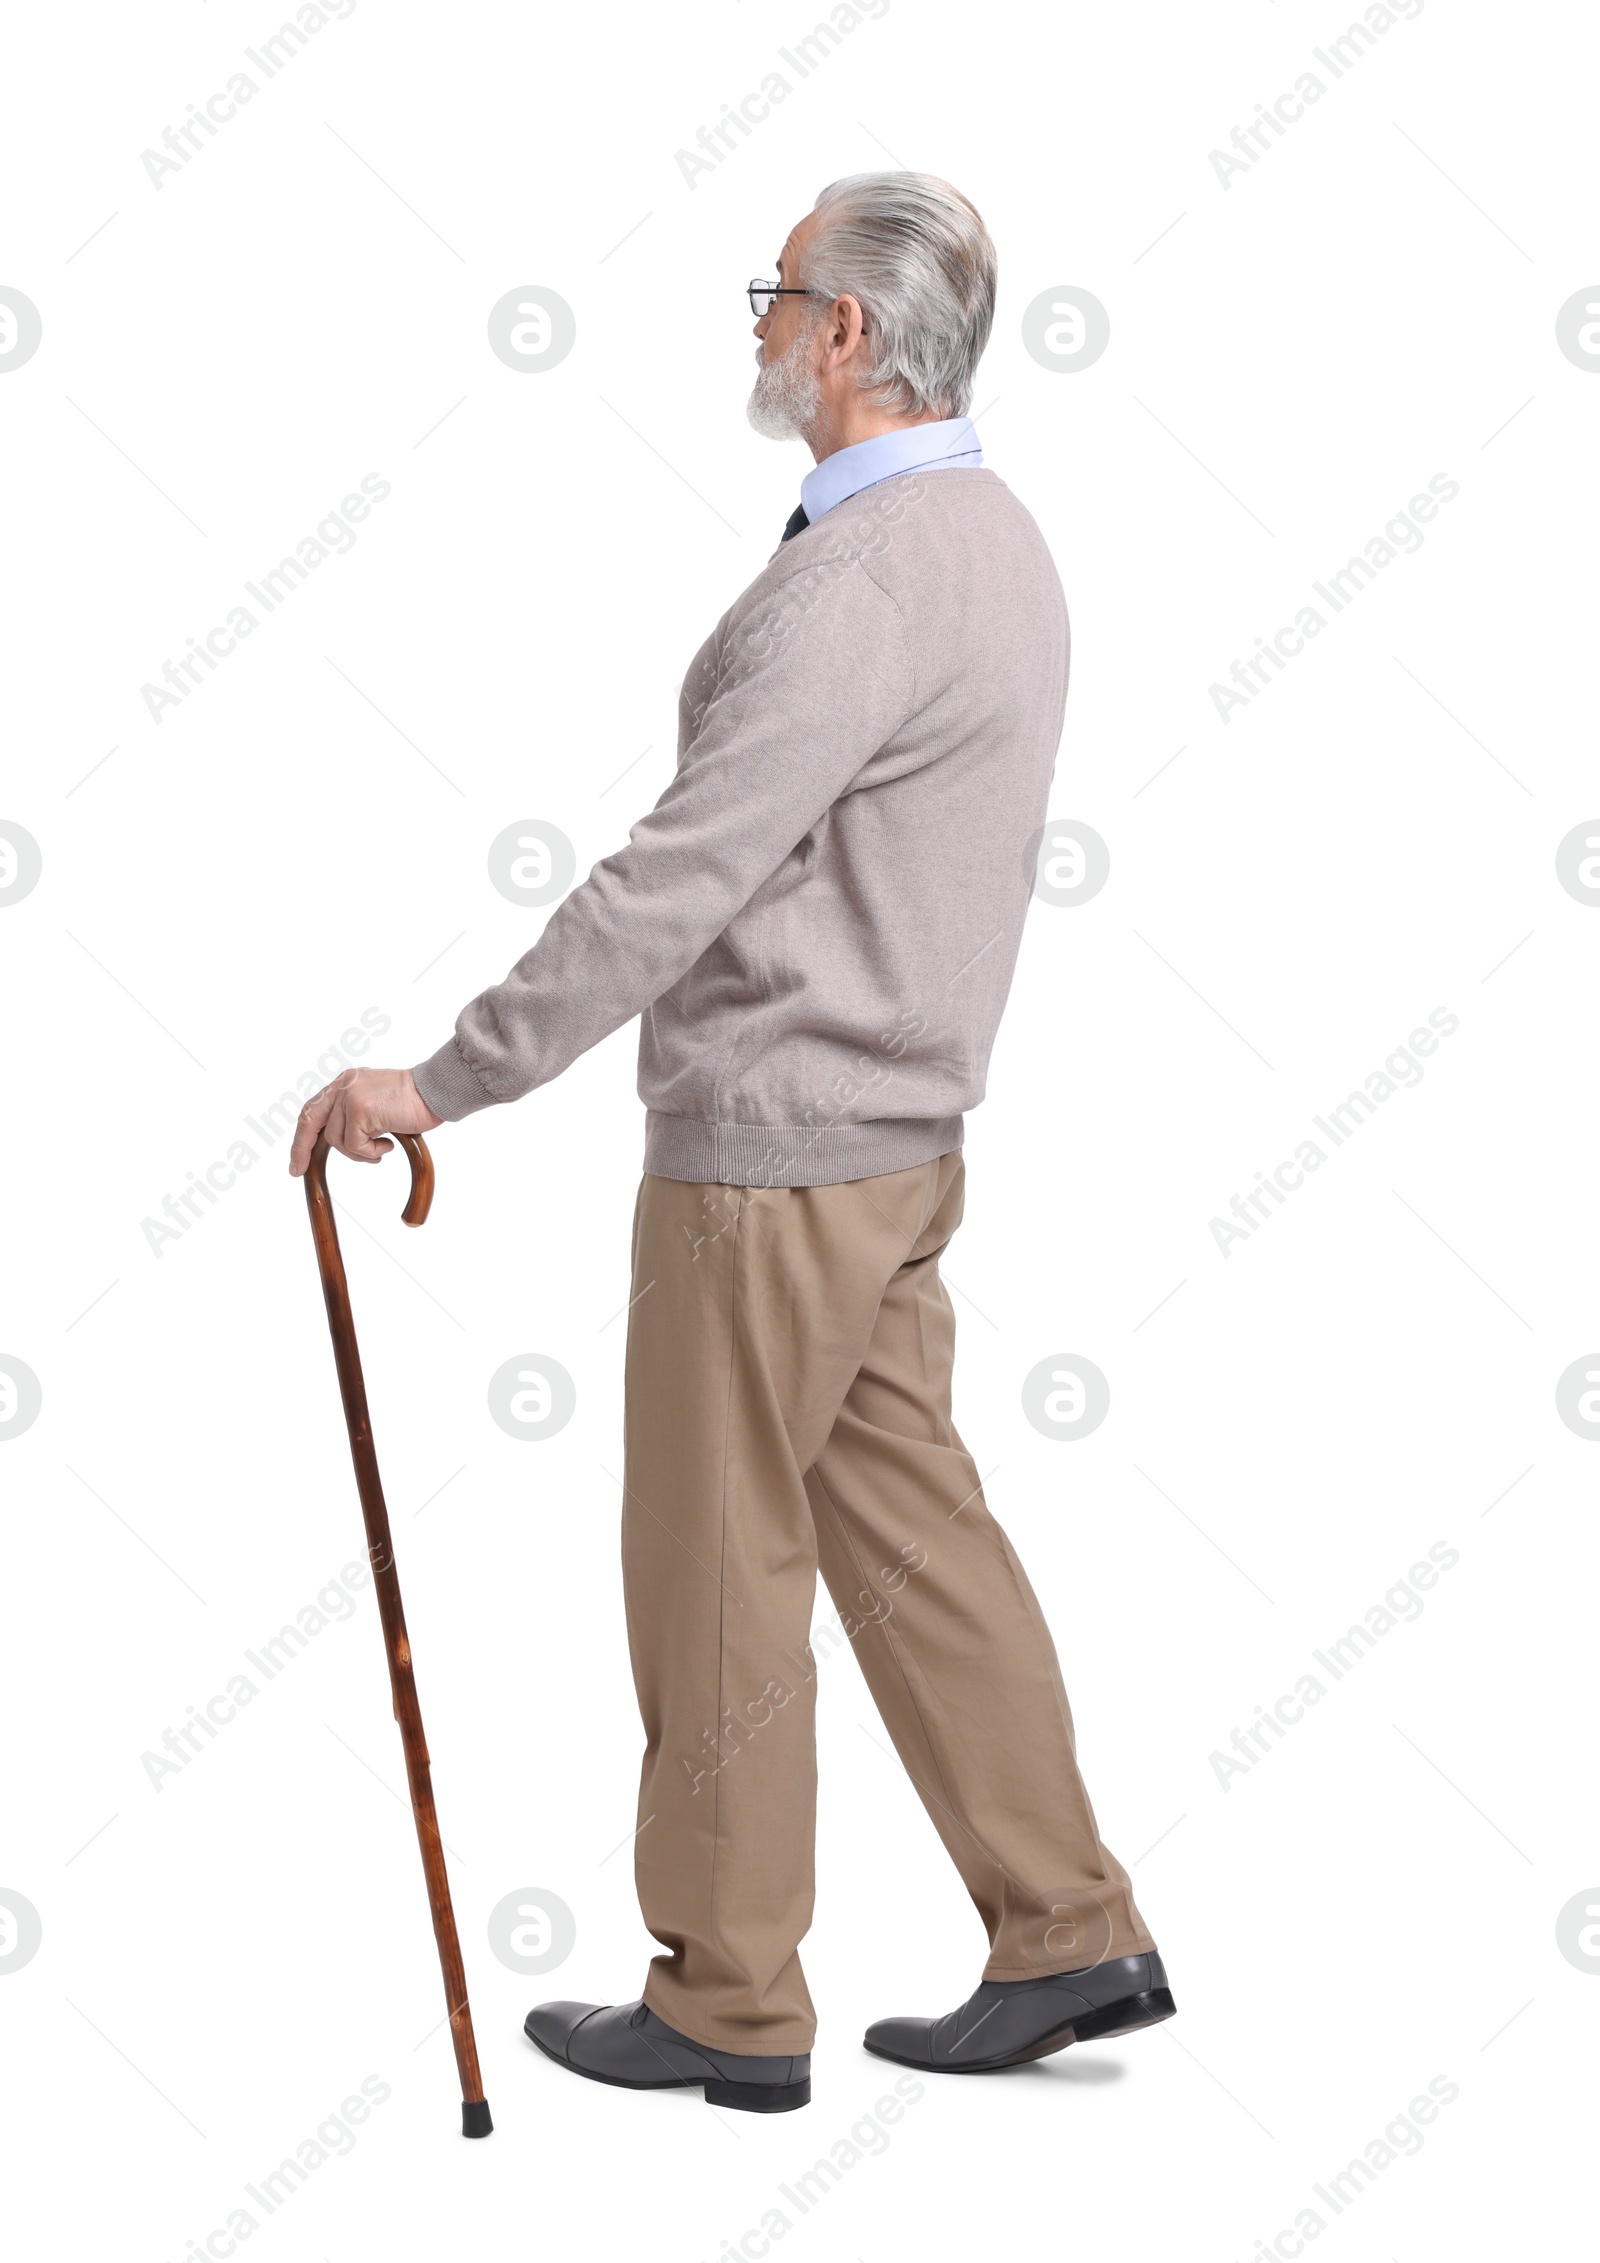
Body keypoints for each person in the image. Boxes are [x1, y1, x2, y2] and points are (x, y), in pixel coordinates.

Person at [289, 171, 1172, 2114]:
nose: (759, 325)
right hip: (898, 1140)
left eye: (775, 296)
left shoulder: (857, 579)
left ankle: (724, 1993)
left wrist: (445, 1079)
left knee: (711, 1559)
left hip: (772, 1157)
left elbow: (676, 879)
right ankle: (1066, 1923)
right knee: (915, 1537)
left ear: (845, 336)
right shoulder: (992, 537)